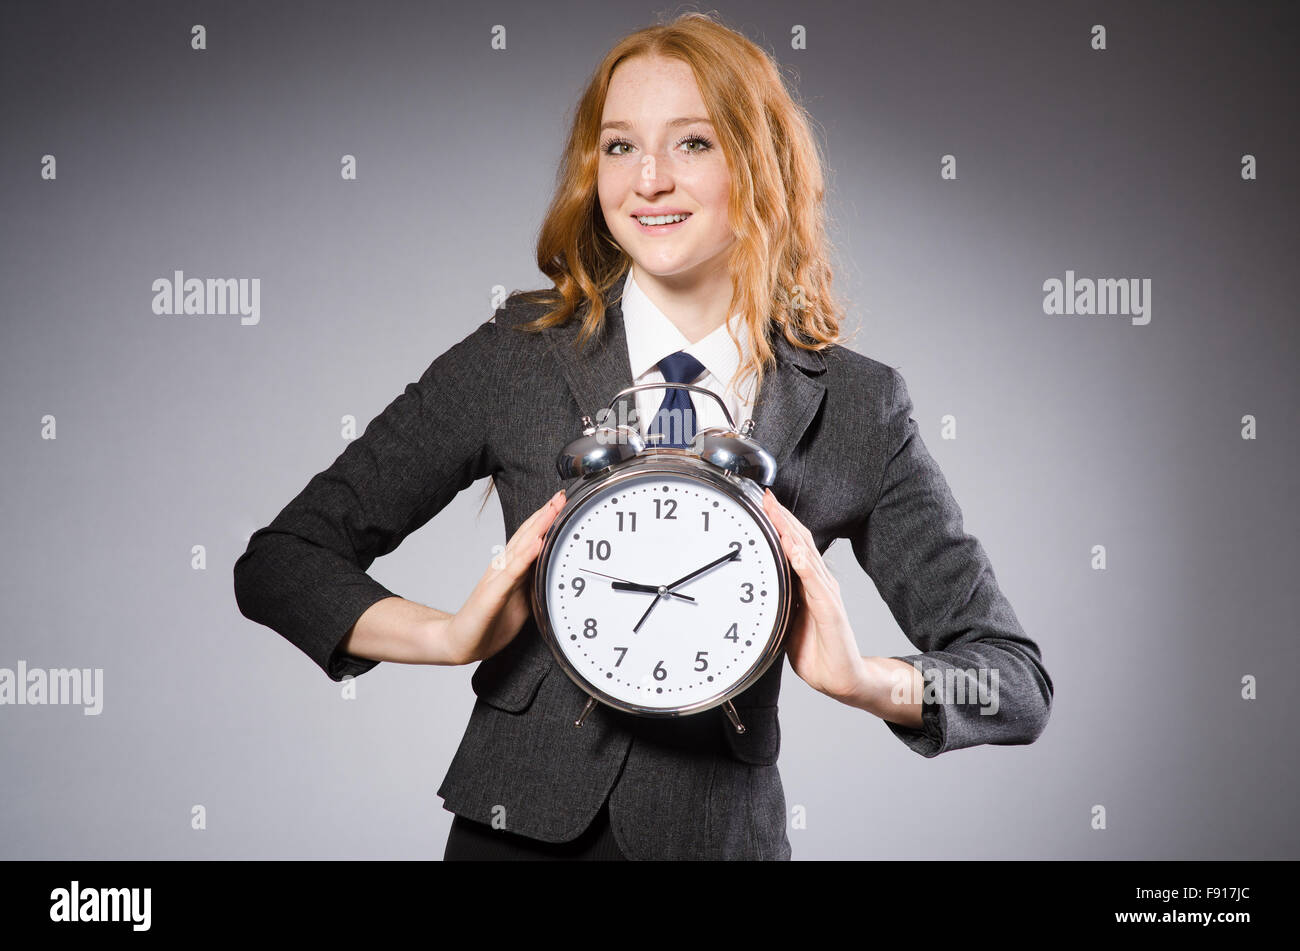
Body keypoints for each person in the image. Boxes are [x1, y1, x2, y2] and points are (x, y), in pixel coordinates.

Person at [232, 13, 1052, 861]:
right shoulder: (517, 355)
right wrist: (447, 637)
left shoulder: (856, 403)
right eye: (620, 147)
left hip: (717, 841)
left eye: (693, 143)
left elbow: (1017, 683)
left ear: (761, 164)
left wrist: (864, 679)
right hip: (514, 834)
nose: (648, 180)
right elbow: (282, 562)